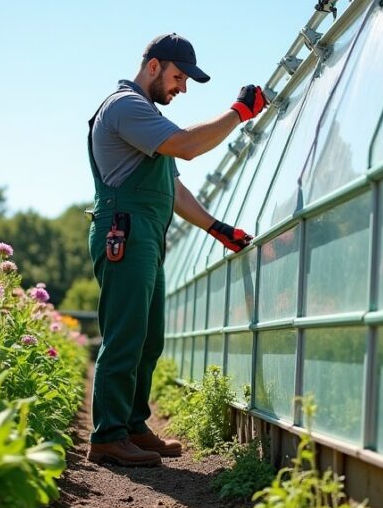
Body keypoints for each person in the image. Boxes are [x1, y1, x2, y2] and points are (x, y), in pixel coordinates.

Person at [85, 32, 268, 467]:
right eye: (178, 76)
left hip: (146, 232)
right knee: (125, 334)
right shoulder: (125, 105)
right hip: (124, 230)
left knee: (149, 338)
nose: (181, 88)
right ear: (154, 67)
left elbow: (173, 187)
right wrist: (238, 113)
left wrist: (218, 229)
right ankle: (107, 435)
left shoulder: (146, 117)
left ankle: (131, 425)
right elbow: (187, 148)